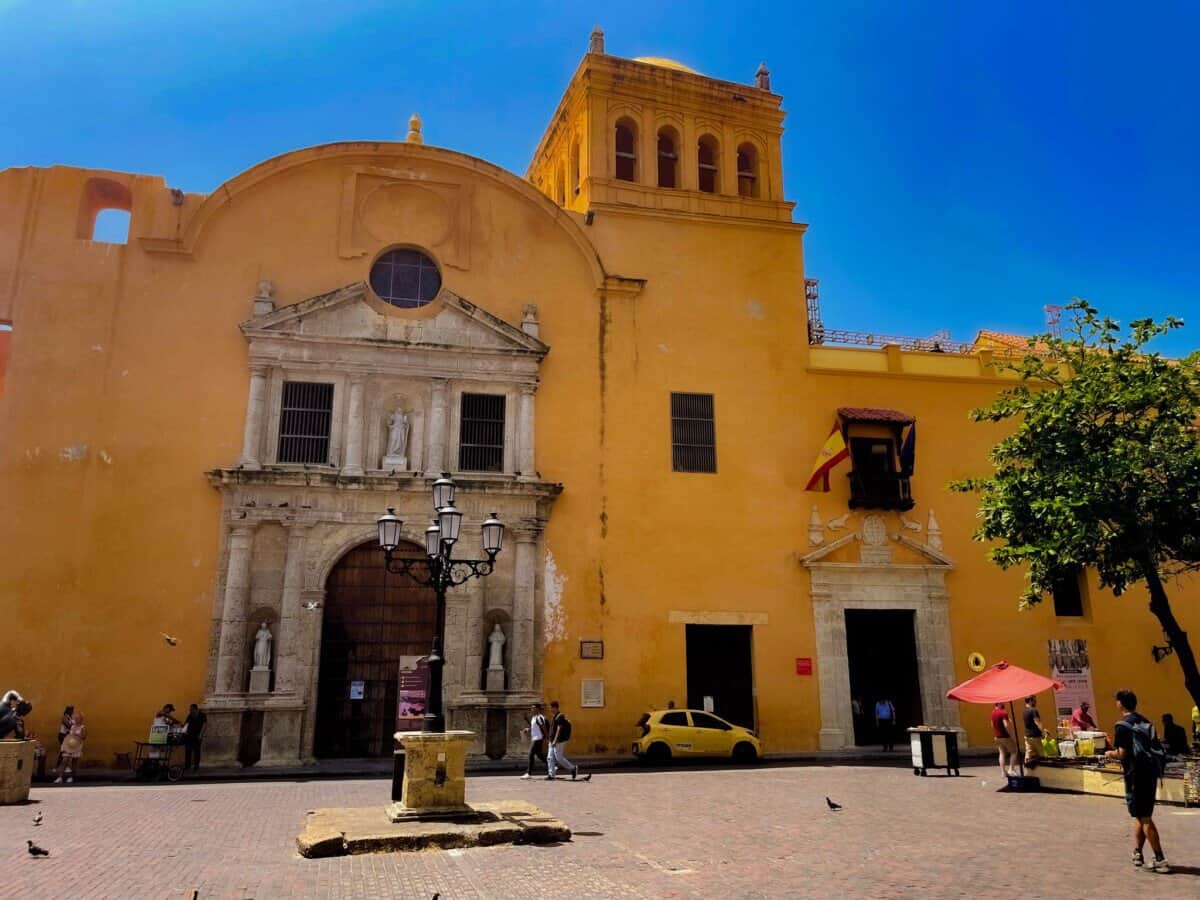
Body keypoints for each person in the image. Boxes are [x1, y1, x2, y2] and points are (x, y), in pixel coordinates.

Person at [1104, 689, 1169, 873]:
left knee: (1145, 817)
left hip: (1135, 775)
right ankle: (1138, 852)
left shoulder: (1122, 725)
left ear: (1120, 703)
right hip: (1150, 773)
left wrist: (1109, 753)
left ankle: (1160, 859)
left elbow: (1122, 753)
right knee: (1140, 814)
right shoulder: (1145, 721)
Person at [546, 700, 590, 782]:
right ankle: (551, 775)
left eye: (551, 708)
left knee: (559, 758)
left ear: (555, 707)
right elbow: (553, 729)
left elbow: (559, 729)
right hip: (552, 741)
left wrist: (555, 740)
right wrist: (550, 739)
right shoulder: (554, 716)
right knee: (550, 758)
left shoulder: (560, 716)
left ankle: (573, 768)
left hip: (558, 741)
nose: (550, 709)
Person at [519, 703, 549, 779]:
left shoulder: (539, 717)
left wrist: (547, 737)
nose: (531, 709)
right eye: (531, 708)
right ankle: (552, 765)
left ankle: (528, 773)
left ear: (538, 709)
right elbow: (534, 727)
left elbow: (544, 727)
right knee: (540, 755)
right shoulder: (534, 718)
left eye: (533, 708)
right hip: (535, 738)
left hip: (538, 738)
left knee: (530, 754)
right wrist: (527, 729)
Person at [56, 711, 85, 784]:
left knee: (74, 762)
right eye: (75, 718)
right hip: (68, 745)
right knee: (64, 760)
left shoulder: (83, 727)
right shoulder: (72, 726)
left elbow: (84, 737)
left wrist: (77, 735)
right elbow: (69, 735)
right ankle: (60, 777)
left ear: (81, 719)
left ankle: (71, 777)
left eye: (78, 718)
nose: (76, 720)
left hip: (76, 746)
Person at [991, 702, 1018, 779]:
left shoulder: (993, 713)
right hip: (1005, 736)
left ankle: (1003, 772)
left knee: (1002, 753)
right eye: (1002, 703)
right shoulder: (1003, 712)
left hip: (997, 737)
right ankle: (1011, 769)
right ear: (999, 703)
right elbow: (1006, 725)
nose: (1004, 704)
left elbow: (992, 724)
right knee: (1014, 751)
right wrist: (1011, 734)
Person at [183, 703, 207, 772]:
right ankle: (187, 765)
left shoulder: (202, 715)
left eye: (191, 709)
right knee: (188, 750)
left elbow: (204, 725)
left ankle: (196, 765)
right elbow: (186, 724)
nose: (190, 711)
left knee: (197, 750)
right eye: (190, 710)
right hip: (189, 735)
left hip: (197, 735)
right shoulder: (190, 715)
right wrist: (183, 729)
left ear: (195, 709)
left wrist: (201, 734)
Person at [1022, 696, 1044, 768]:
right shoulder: (1033, 710)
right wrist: (1043, 731)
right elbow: (1037, 722)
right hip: (1035, 736)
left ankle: (1026, 768)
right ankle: (1042, 768)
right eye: (1034, 700)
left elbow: (1030, 723)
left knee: (1028, 753)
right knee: (1041, 754)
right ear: (1030, 701)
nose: (1036, 702)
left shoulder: (1024, 711)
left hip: (1027, 736)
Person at [54, 705, 75, 771]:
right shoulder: (65, 717)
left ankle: (65, 767)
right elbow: (68, 726)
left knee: (67, 751)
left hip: (68, 735)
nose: (72, 711)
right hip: (63, 735)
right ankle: (57, 767)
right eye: (71, 710)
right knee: (63, 751)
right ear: (68, 710)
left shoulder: (70, 717)